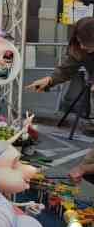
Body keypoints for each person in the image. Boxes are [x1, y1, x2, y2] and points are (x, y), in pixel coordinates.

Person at [27, 16, 94, 169]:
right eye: (79, 41)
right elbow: (66, 69)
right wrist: (50, 80)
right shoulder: (79, 48)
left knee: (87, 166)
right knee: (87, 165)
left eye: (85, 42)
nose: (82, 46)